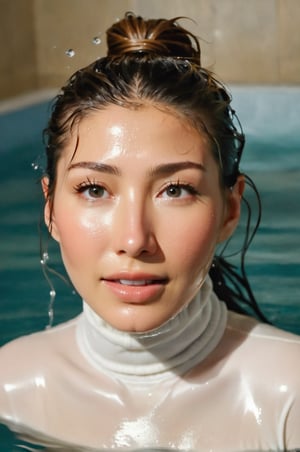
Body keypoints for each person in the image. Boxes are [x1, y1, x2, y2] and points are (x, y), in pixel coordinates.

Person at [0, 12, 300, 451]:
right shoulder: (11, 389)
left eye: (175, 189)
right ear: (50, 208)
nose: (134, 239)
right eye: (95, 189)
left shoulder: (289, 396)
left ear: (229, 210)